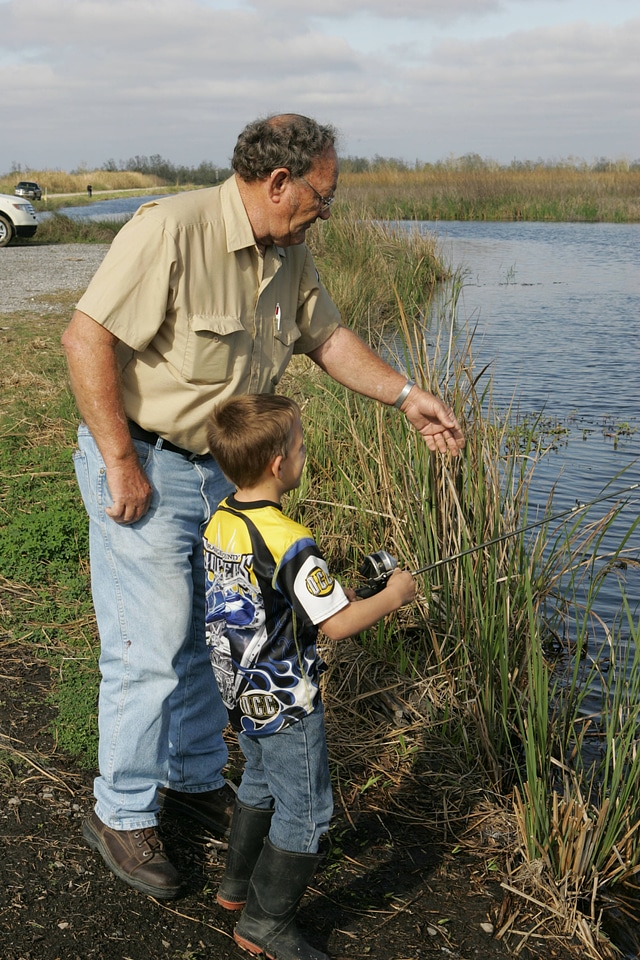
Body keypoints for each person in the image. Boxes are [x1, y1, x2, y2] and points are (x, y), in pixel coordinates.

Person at [61, 113, 464, 901]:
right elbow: (84, 340)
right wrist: (119, 463)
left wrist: (407, 395)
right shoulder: (170, 230)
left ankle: (194, 779)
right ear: (279, 183)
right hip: (145, 461)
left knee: (211, 636)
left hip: (222, 478)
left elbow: (329, 338)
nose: (327, 208)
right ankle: (123, 812)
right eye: (323, 194)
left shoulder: (289, 251)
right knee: (148, 646)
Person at [204, 394, 416, 960]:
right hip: (286, 701)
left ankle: (235, 888)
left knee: (258, 783)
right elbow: (341, 624)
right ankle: (264, 925)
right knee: (308, 812)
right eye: (299, 445)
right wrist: (394, 595)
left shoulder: (220, 519)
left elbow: (265, 600)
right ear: (278, 463)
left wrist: (329, 596)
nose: (304, 452)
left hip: (239, 692)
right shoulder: (291, 539)